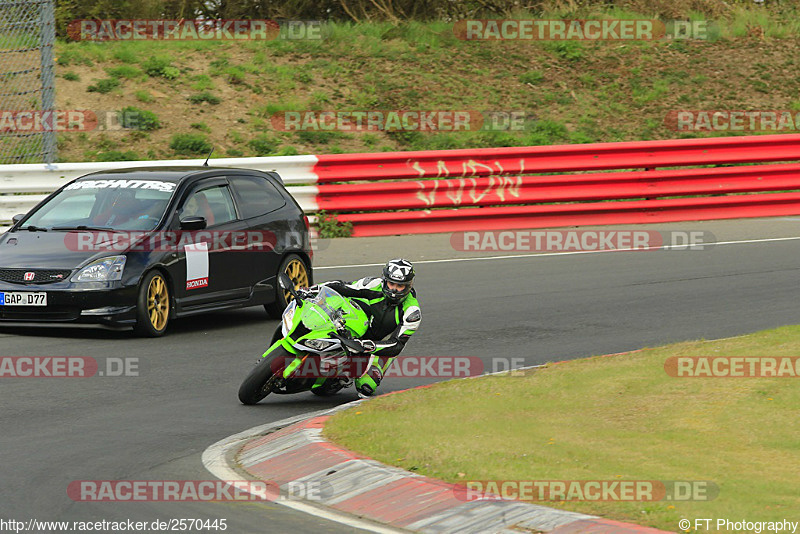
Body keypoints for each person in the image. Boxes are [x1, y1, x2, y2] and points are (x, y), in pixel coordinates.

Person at [300, 258, 421, 398]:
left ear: (408, 286)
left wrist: (368, 346)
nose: (394, 289)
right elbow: (343, 287)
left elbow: (397, 345)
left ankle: (346, 375)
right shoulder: (373, 284)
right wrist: (312, 290)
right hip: (359, 326)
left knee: (366, 388)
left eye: (400, 286)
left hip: (381, 347)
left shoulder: (412, 312)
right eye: (391, 283)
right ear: (385, 280)